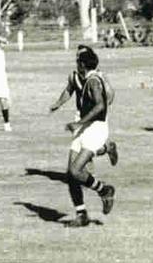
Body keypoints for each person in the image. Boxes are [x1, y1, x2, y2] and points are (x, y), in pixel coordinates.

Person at [63, 45, 116, 227]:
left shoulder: (93, 80)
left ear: (83, 65)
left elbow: (100, 105)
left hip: (95, 128)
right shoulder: (86, 78)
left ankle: (105, 190)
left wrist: (79, 122)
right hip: (85, 127)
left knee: (76, 170)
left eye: (78, 62)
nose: (76, 64)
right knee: (71, 174)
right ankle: (81, 213)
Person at [50, 44, 118, 166]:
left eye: (81, 55)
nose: (78, 58)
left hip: (95, 116)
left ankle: (105, 151)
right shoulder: (74, 76)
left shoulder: (98, 76)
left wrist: (103, 106)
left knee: (85, 152)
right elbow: (68, 91)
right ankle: (105, 150)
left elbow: (110, 94)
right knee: (80, 152)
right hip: (80, 115)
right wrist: (58, 103)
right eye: (77, 56)